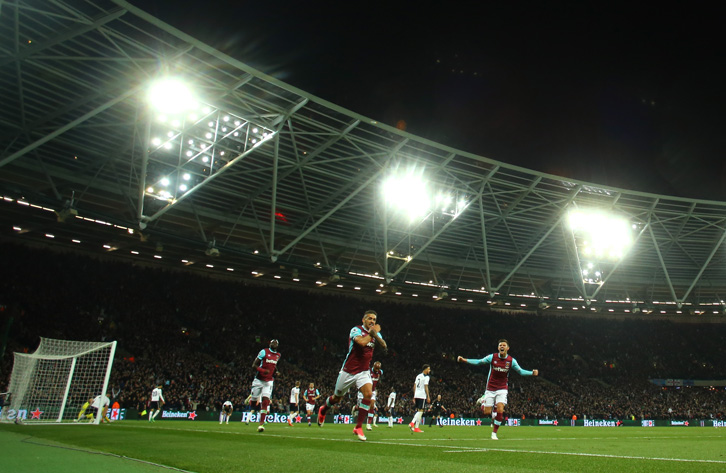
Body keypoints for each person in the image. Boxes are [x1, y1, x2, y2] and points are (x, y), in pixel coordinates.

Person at [317, 309, 387, 442]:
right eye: (370, 319)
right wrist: (373, 333)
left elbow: (384, 345)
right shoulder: (356, 330)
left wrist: (376, 335)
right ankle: (323, 409)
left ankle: (358, 427)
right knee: (337, 398)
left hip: (364, 371)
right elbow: (361, 342)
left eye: (374, 320)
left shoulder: (374, 333)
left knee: (368, 394)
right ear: (363, 320)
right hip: (348, 371)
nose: (372, 321)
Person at [457, 338, 538, 440]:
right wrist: (464, 360)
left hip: (502, 388)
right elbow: (478, 362)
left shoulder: (511, 361)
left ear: (508, 348)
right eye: (500, 345)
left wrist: (532, 373)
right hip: (490, 388)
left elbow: (521, 372)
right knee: (487, 412)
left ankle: (494, 433)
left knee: (500, 409)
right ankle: (483, 400)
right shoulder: (492, 357)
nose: (502, 347)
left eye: (504, 345)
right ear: (498, 348)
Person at [249, 339, 281, 433]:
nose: (274, 344)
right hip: (258, 380)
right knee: (254, 404)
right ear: (270, 344)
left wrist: (276, 372)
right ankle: (251, 399)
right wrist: (263, 371)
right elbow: (254, 365)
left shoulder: (278, 355)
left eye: (276, 343)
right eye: (272, 343)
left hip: (269, 381)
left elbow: (274, 366)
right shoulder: (264, 352)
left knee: (265, 401)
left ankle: (261, 424)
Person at [409, 364, 431, 433]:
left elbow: (415, 386)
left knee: (420, 411)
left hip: (417, 394)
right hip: (422, 395)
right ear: (425, 369)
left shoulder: (418, 376)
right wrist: (428, 396)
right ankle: (412, 423)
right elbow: (426, 386)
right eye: (428, 369)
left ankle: (417, 427)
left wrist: (414, 396)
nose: (429, 370)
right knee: (420, 411)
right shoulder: (426, 377)